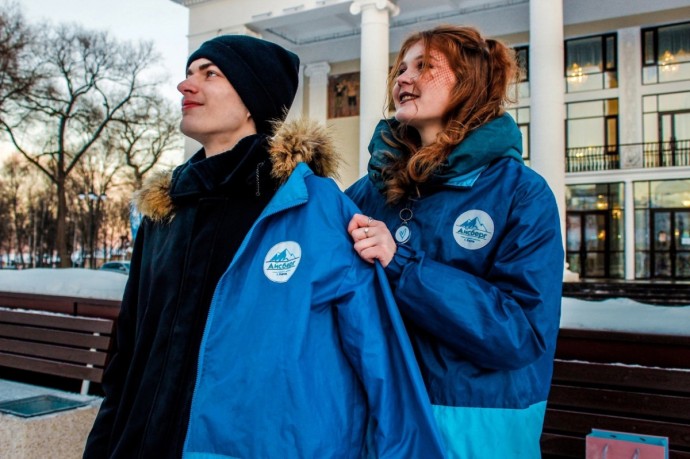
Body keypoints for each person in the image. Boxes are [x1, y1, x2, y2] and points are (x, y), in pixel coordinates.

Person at [83, 35, 445, 458]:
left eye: (210, 73)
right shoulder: (165, 213)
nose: (185, 86)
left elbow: (378, 354)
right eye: (187, 74)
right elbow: (127, 357)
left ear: (254, 97)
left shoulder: (313, 207)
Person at [346, 25, 564, 457]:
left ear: (470, 83)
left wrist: (403, 265)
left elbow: (521, 334)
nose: (402, 79)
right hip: (378, 423)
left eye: (424, 66)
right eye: (400, 68)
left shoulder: (521, 193)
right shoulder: (369, 191)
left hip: (471, 431)